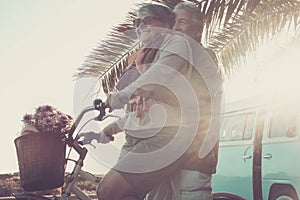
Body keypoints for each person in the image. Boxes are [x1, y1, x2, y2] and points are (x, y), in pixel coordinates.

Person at [146, 2, 223, 199]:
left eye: (182, 22)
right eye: (173, 23)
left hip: (194, 155)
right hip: (166, 151)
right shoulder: (173, 56)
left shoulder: (204, 57)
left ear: (198, 30)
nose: (175, 28)